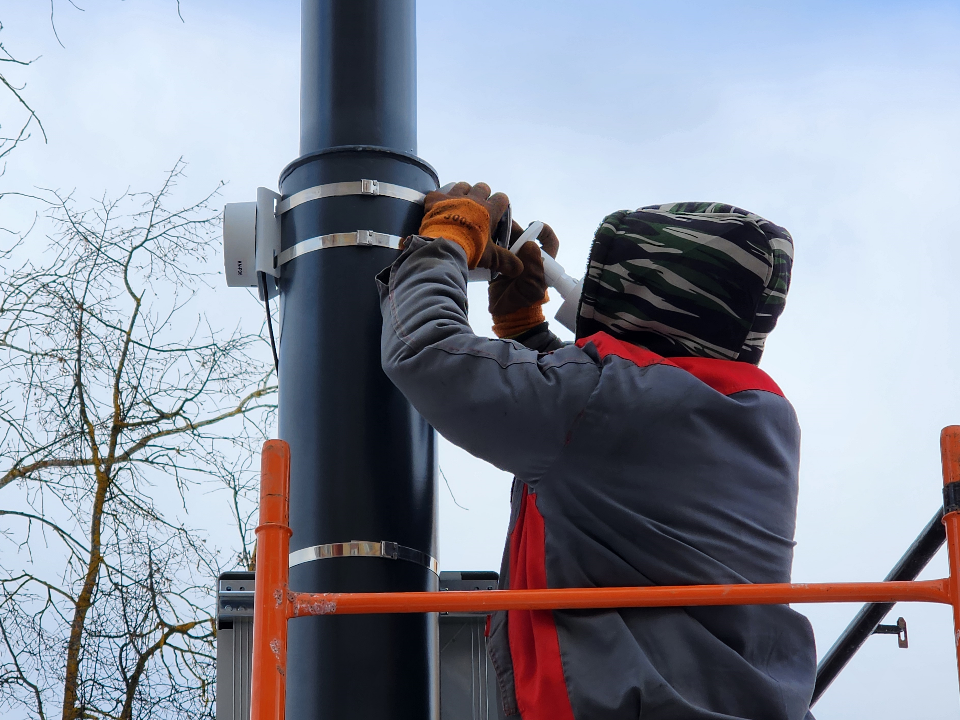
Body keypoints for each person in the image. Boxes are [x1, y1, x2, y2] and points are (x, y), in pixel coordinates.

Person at [377, 182, 816, 720]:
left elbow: (425, 351)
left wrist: (441, 242)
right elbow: (602, 444)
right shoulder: (761, 415)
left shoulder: (603, 403)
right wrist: (527, 332)